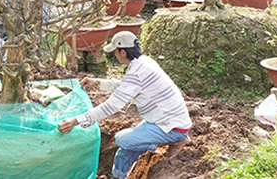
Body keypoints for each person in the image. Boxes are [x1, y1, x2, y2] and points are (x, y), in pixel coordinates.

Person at [58, 31, 191, 179]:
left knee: (123, 139)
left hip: (172, 126)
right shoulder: (144, 62)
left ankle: (176, 139)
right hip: (160, 120)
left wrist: (76, 120)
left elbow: (112, 106)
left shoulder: (137, 72)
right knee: (124, 151)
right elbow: (127, 86)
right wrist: (99, 82)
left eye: (115, 52)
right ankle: (118, 176)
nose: (114, 55)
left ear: (122, 52)